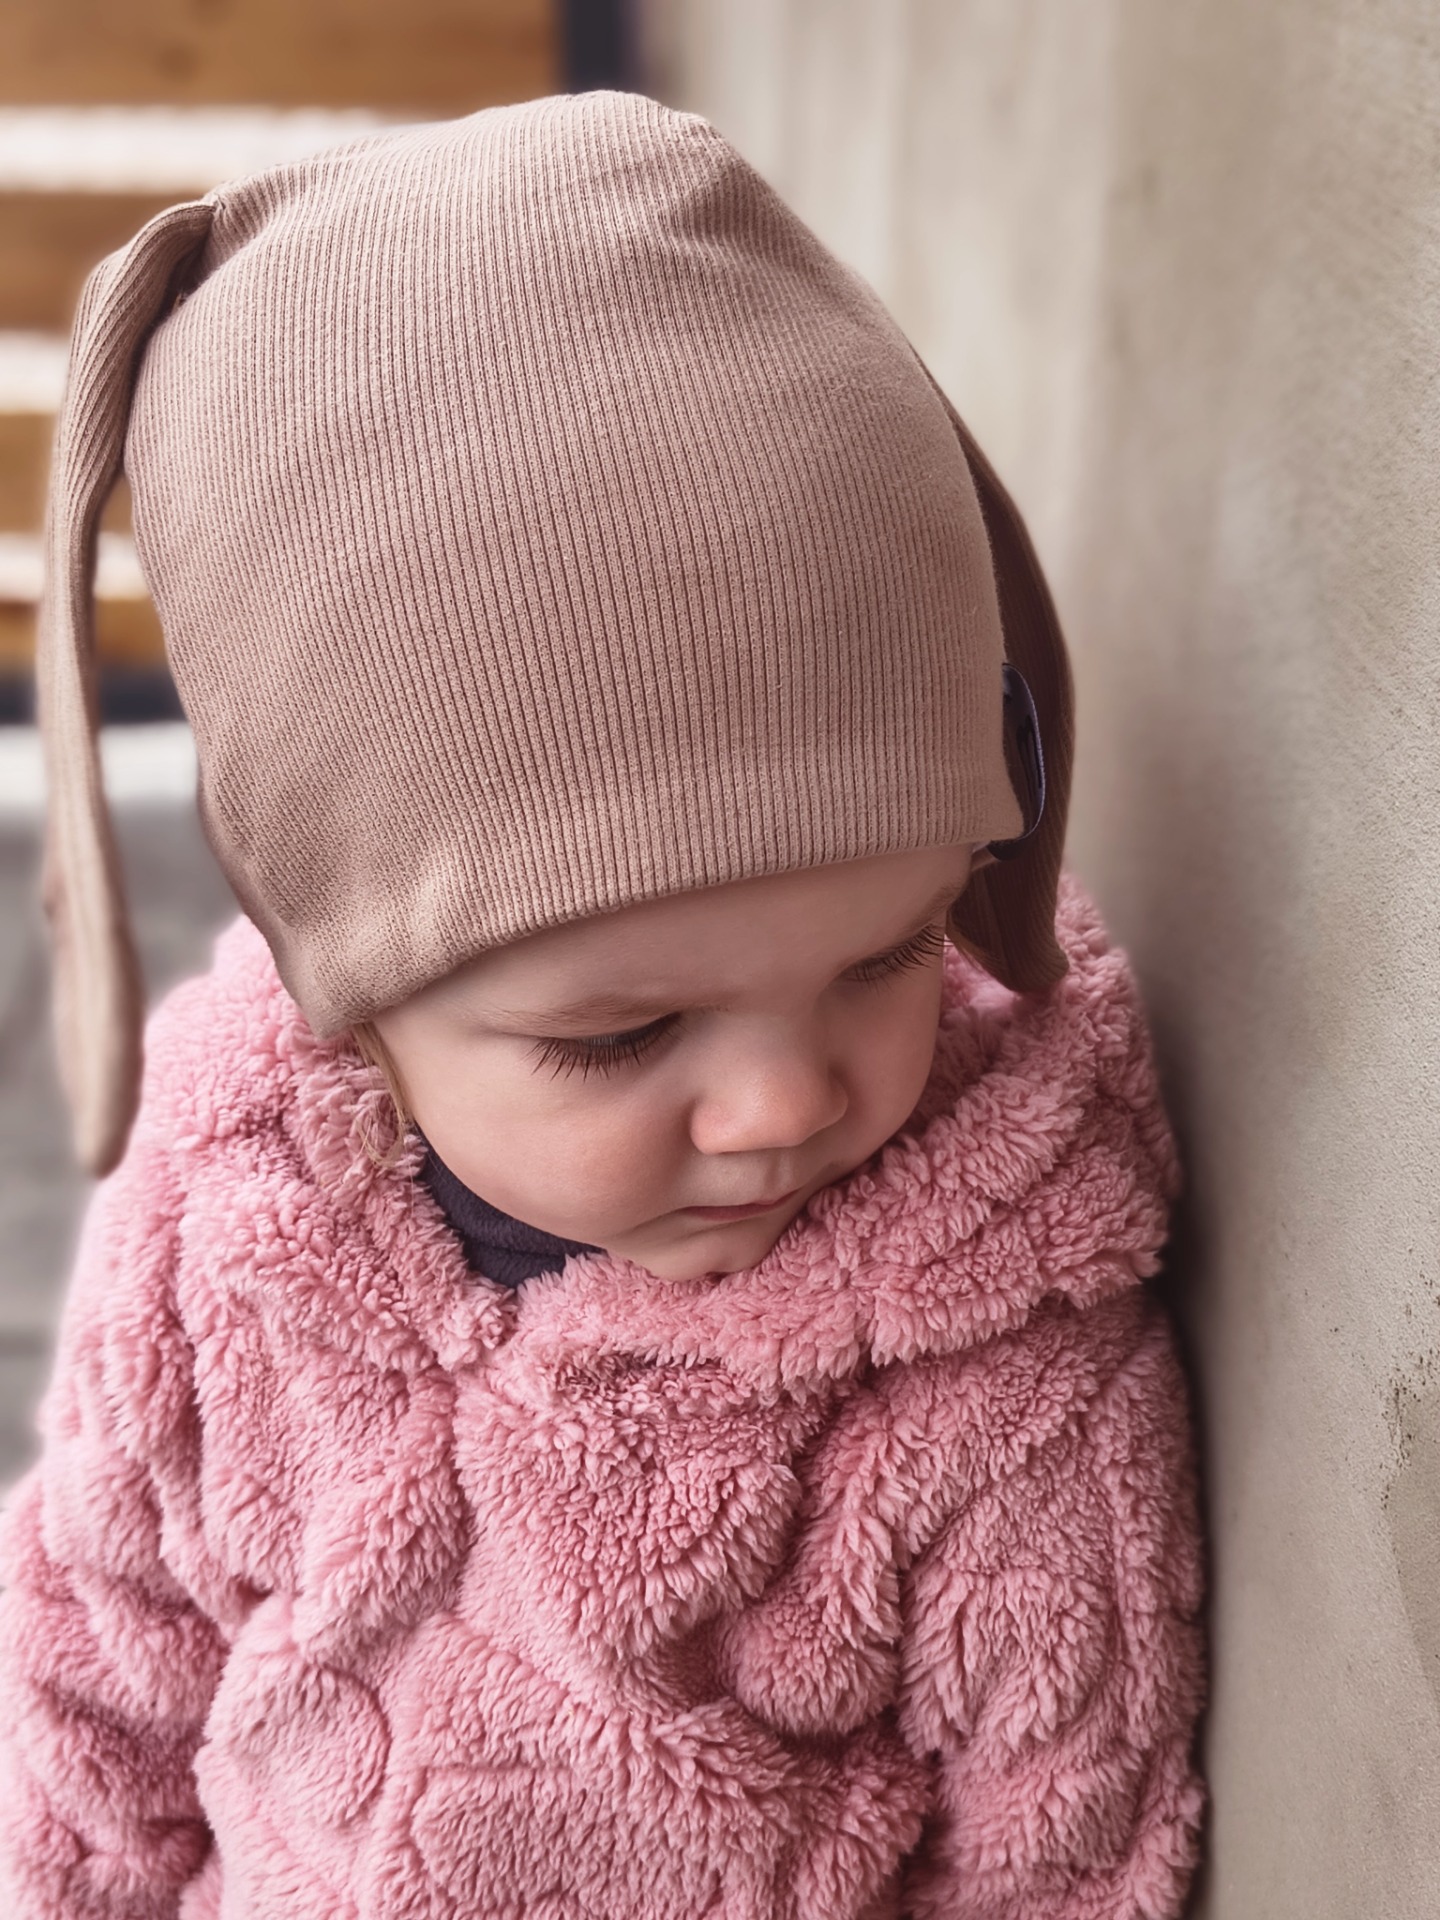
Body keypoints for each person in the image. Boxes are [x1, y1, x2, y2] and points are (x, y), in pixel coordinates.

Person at [0, 91, 1206, 1920]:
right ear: (345, 996)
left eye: (893, 951)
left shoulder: (1004, 1356)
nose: (784, 1104)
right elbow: (95, 1674)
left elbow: (1067, 1847)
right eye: (619, 1037)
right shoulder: (218, 1229)